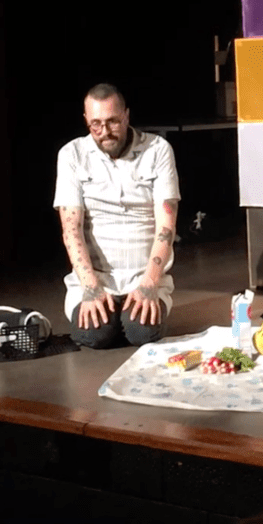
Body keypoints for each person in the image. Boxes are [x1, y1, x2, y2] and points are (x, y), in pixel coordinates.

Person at [53, 83, 180, 348]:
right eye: (96, 124)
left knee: (141, 333)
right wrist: (91, 288)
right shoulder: (72, 154)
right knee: (95, 335)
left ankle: (130, 314)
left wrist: (149, 284)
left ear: (126, 116)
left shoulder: (158, 150)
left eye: (112, 122)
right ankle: (111, 313)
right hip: (97, 278)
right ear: (86, 120)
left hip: (144, 276)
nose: (105, 132)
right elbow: (71, 229)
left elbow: (166, 226)